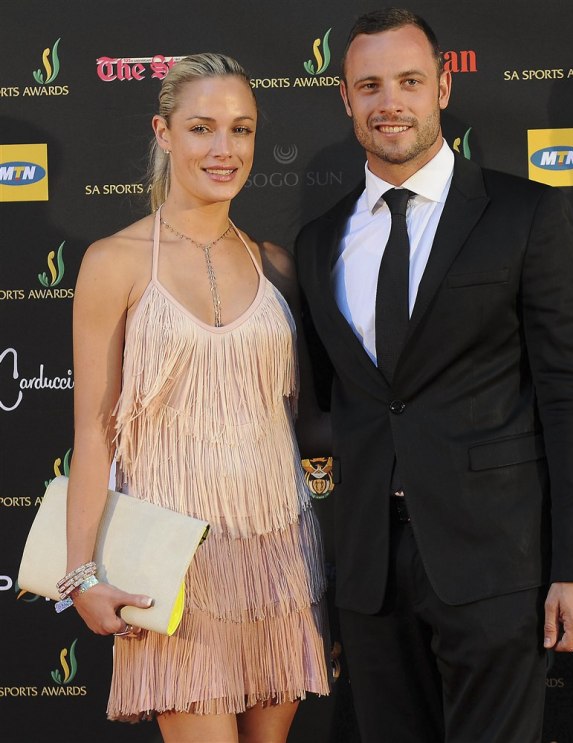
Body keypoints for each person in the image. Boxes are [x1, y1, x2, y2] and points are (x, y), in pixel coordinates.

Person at [295, 9, 573, 743]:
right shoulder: (319, 242)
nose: (390, 103)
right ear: (346, 98)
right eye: (369, 85)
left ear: (442, 86)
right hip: (371, 574)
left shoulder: (524, 213)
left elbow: (572, 397)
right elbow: (334, 404)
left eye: (409, 81)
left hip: (498, 562)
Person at [63, 52, 329, 743]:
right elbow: (94, 431)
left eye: (241, 129)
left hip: (277, 555)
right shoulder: (113, 262)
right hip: (172, 563)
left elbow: (302, 417)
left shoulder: (275, 264)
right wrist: (81, 573)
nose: (223, 149)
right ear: (164, 133)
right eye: (202, 128)